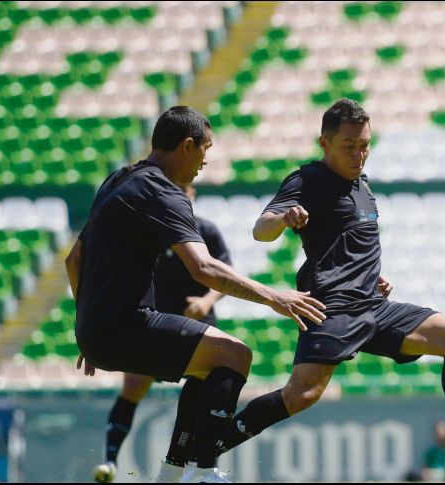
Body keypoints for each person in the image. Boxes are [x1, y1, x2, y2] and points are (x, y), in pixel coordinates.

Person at [214, 98, 445, 481]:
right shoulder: (308, 180)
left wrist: (374, 278)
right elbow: (261, 228)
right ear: (325, 144)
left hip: (373, 304)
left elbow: (353, 245)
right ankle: (206, 452)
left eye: (364, 145)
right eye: (349, 146)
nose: (359, 154)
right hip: (332, 309)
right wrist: (284, 219)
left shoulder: (363, 185)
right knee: (301, 395)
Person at [65, 106, 326, 484]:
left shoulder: (119, 179)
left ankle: (173, 472)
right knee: (236, 354)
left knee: (209, 363)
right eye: (206, 149)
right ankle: (204, 472)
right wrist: (275, 297)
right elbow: (204, 268)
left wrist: (85, 325)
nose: (206, 161)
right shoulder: (163, 192)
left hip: (96, 330)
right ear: (187, 146)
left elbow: (74, 260)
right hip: (125, 323)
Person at [92, 183, 233, 483]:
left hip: (198, 324)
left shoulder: (205, 231)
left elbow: (224, 272)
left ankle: (196, 466)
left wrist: (206, 300)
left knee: (205, 386)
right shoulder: (150, 233)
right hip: (156, 324)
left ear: (193, 196)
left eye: (186, 192)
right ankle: (111, 461)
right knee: (133, 385)